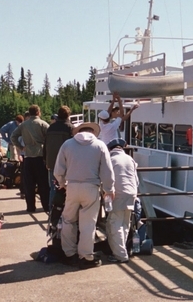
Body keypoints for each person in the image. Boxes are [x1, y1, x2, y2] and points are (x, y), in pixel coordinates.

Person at [53, 122, 115, 269]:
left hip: (72, 186)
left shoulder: (67, 144)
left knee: (68, 220)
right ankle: (86, 255)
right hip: (91, 187)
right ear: (93, 132)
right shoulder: (100, 146)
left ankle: (69, 253)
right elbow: (107, 171)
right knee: (88, 223)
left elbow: (58, 170)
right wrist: (109, 189)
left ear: (78, 131)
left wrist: (63, 184)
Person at [11, 105, 50, 213]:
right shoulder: (43, 124)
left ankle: (31, 207)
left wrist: (20, 146)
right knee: (43, 184)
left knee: (29, 185)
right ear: (38, 112)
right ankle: (46, 206)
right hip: (40, 155)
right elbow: (50, 136)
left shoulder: (23, 125)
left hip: (28, 156)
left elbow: (13, 136)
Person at [104, 139, 138, 263]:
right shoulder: (130, 159)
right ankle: (122, 249)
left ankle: (120, 255)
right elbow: (136, 179)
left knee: (115, 223)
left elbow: (107, 178)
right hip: (132, 193)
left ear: (110, 149)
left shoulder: (111, 160)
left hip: (118, 194)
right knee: (125, 223)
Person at [43, 105, 73, 208]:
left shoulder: (51, 127)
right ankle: (65, 211)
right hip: (66, 163)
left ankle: (52, 211)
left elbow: (45, 145)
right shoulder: (70, 128)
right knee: (67, 187)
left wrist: (46, 160)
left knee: (53, 187)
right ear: (68, 115)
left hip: (51, 162)